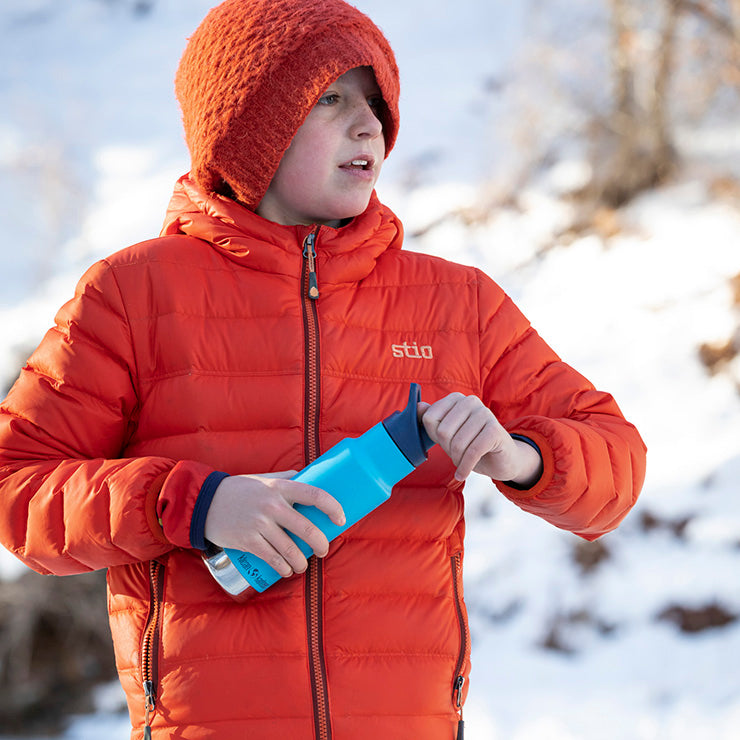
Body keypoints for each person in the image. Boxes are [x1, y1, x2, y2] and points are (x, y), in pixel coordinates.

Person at [0, 1, 647, 738]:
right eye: (332, 99)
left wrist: (521, 455)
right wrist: (194, 504)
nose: (370, 126)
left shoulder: (454, 304)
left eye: (374, 103)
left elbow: (616, 470)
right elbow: (17, 489)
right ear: (250, 123)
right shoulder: (136, 293)